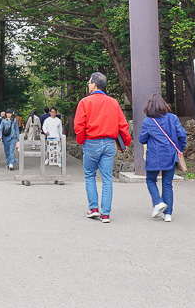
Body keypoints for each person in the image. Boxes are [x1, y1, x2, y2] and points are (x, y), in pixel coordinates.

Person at [74, 72, 131, 223]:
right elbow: (122, 125)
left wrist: (82, 140)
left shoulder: (85, 102)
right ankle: (105, 214)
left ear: (94, 84)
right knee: (107, 179)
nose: (88, 84)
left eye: (89, 82)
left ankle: (94, 209)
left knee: (90, 175)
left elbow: (79, 126)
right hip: (108, 143)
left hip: (91, 142)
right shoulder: (113, 102)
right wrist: (125, 142)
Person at [139, 94, 187, 222]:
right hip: (170, 155)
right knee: (167, 184)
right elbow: (182, 134)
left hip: (154, 156)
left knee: (150, 180)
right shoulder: (173, 118)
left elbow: (141, 139)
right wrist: (180, 148)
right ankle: (168, 214)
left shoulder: (148, 121)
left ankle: (158, 202)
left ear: (149, 107)